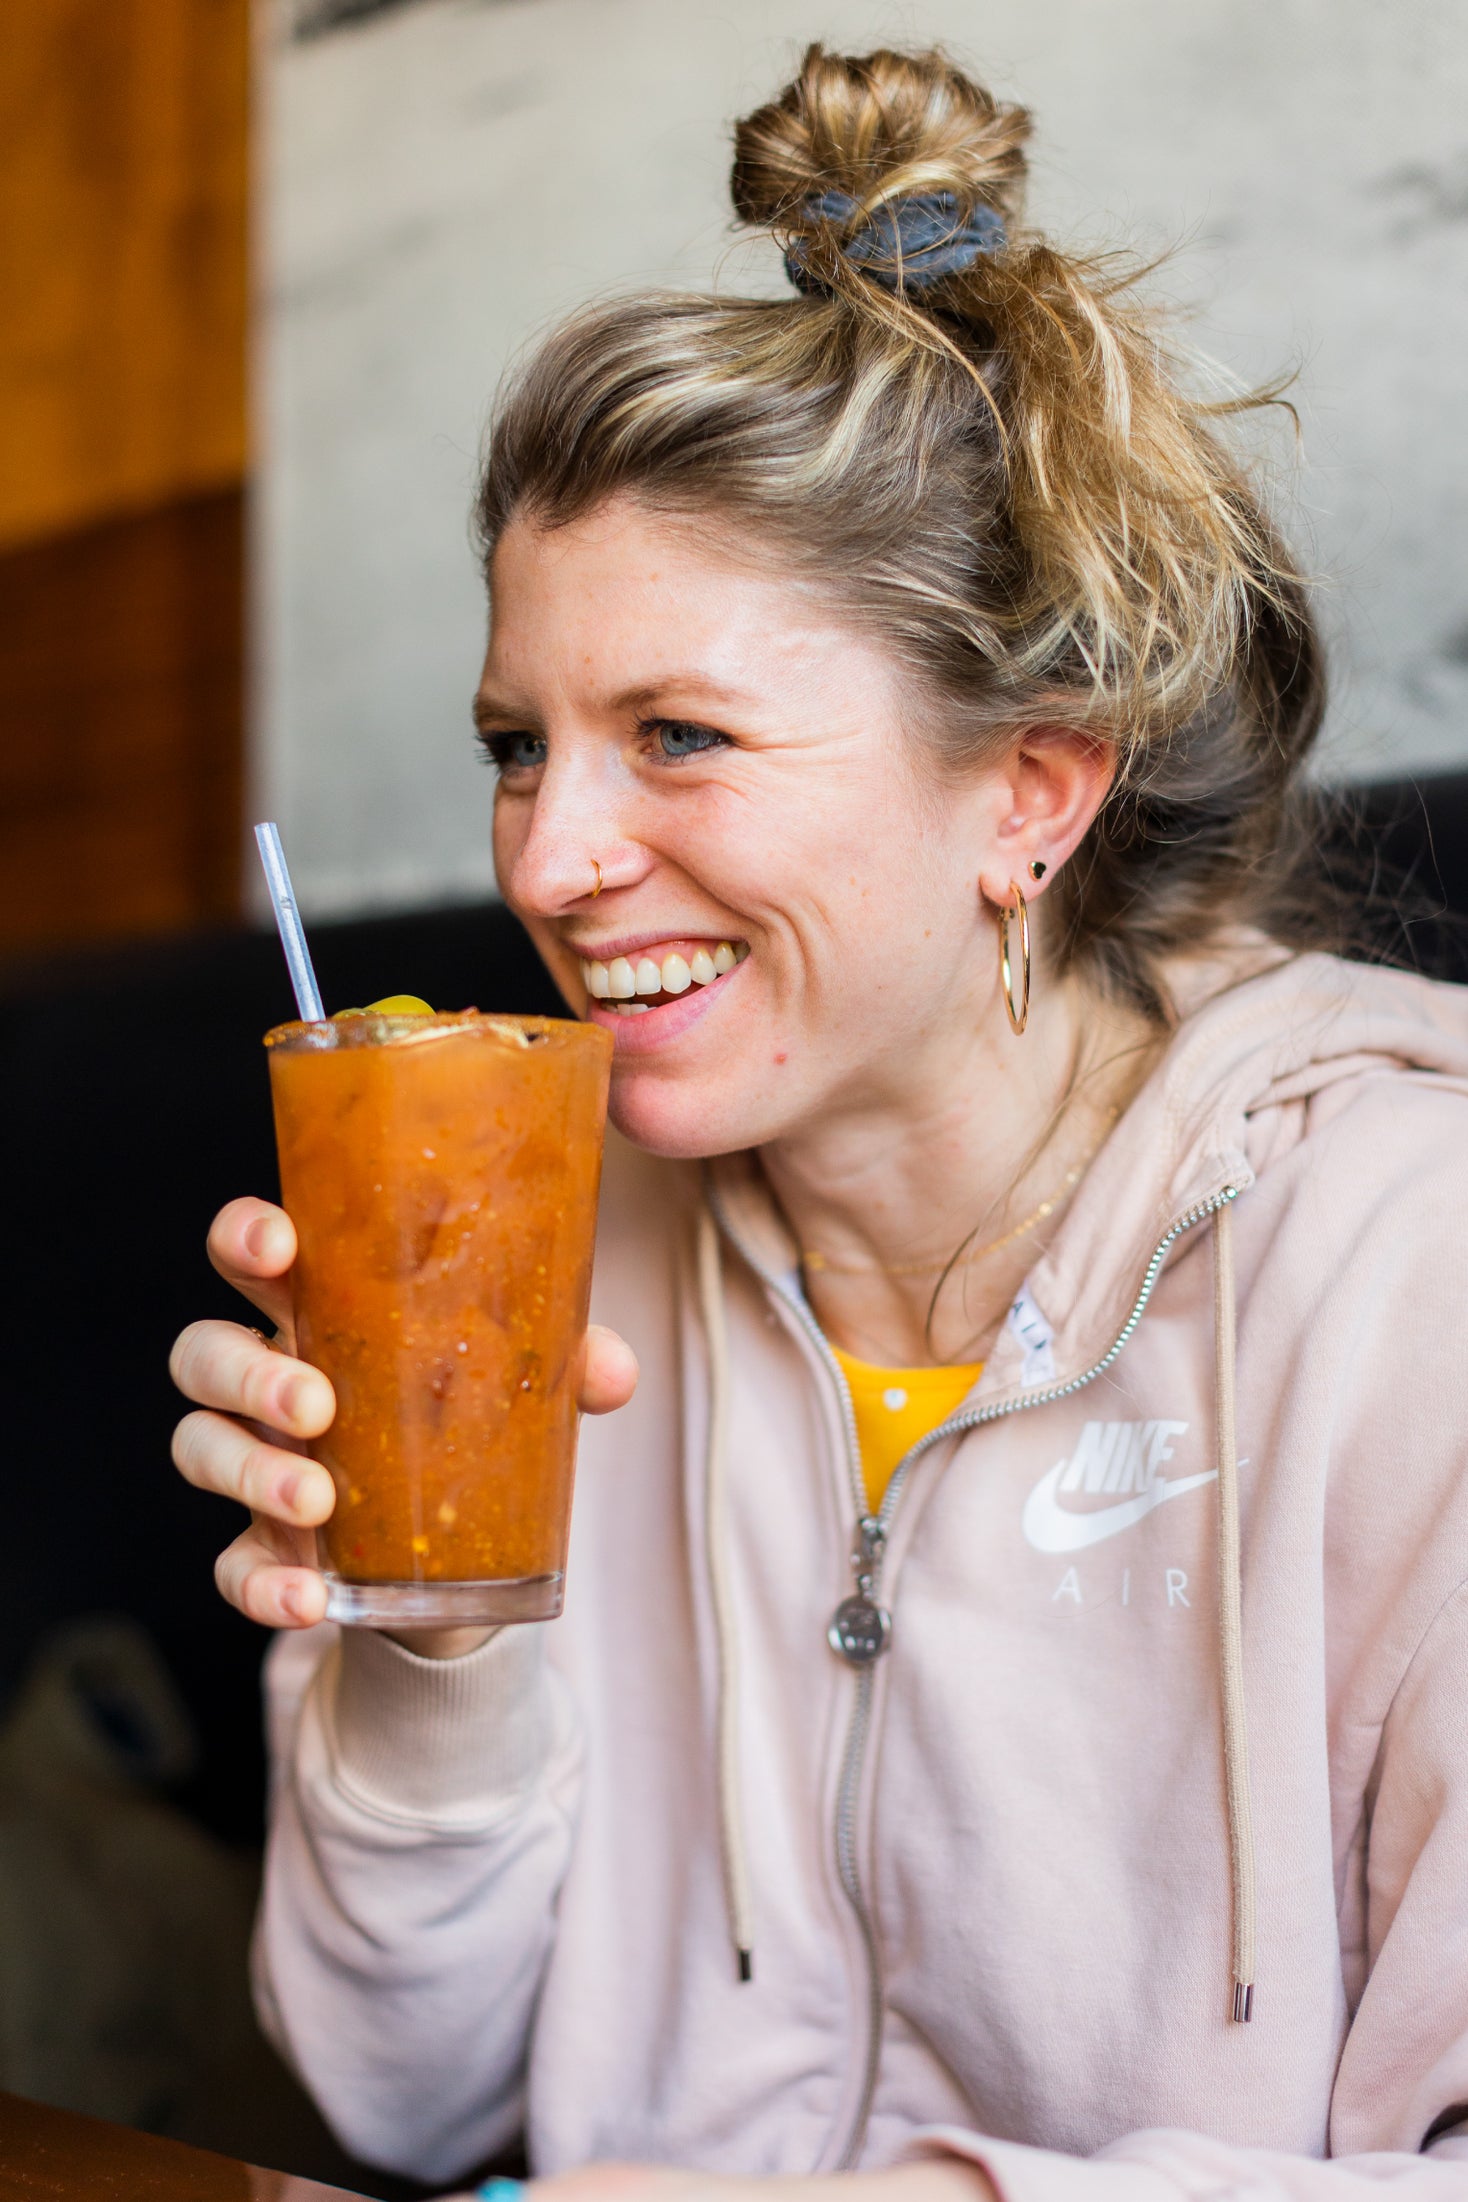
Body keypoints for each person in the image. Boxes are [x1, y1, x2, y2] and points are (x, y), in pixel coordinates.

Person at [169, 43, 1468, 2202]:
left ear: (1028, 794)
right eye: (518, 743)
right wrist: (434, 1653)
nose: (548, 859)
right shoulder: (533, 1256)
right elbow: (398, 2109)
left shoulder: (1407, 1277)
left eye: (674, 733)